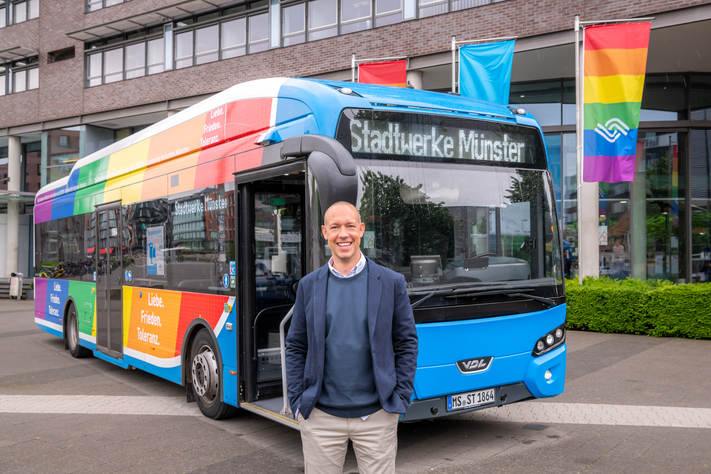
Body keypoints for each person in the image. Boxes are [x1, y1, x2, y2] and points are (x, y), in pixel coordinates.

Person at [285, 201, 419, 474]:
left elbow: (407, 343)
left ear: (361, 230)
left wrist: (400, 399)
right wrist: (298, 401)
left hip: (377, 417)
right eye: (335, 227)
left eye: (349, 226)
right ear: (325, 232)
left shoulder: (391, 282)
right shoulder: (309, 286)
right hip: (320, 417)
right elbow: (296, 346)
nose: (342, 234)